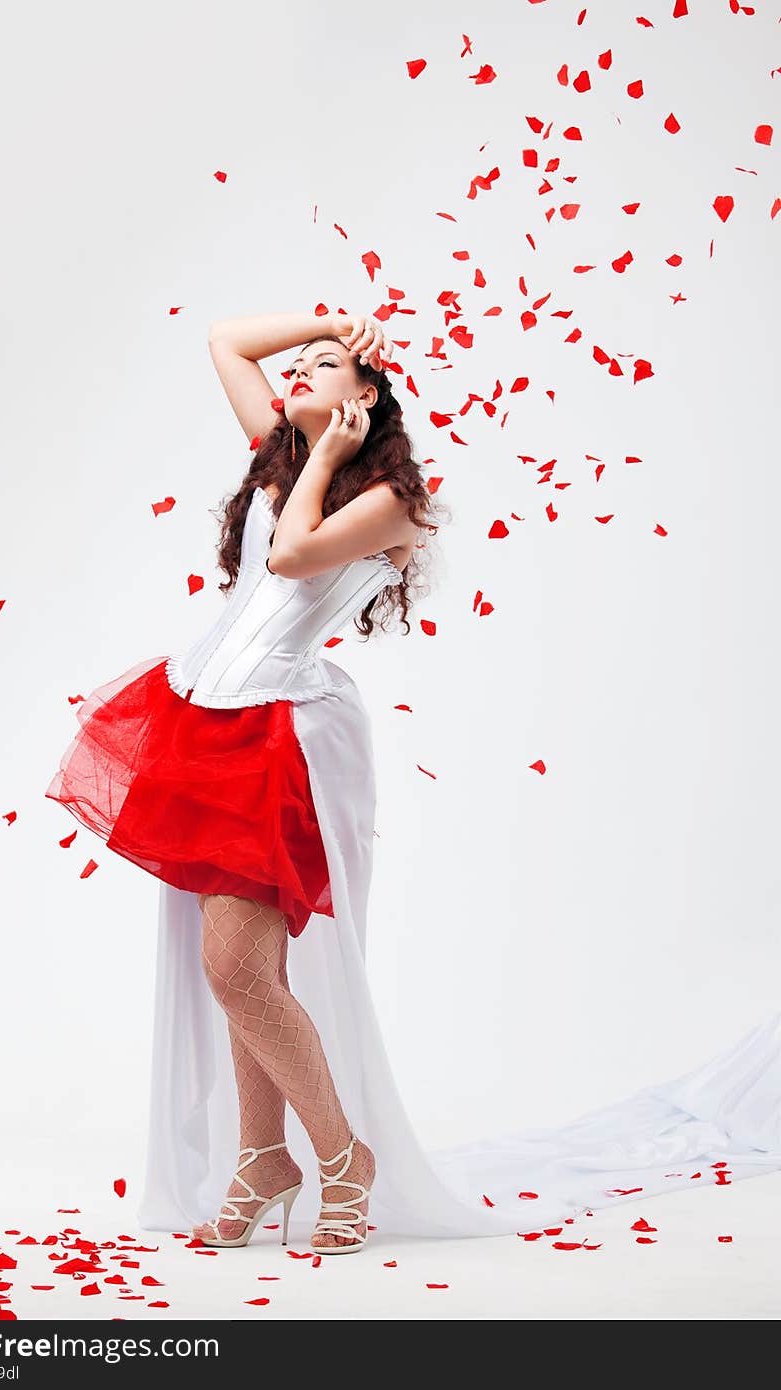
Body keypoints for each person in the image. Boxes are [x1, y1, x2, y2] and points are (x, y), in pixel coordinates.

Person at [46, 310, 781, 1256]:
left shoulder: (387, 497)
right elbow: (228, 343)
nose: (297, 370)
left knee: (236, 970)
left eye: (322, 366)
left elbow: (288, 557)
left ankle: (343, 1154)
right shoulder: (282, 453)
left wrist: (319, 447)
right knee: (241, 970)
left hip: (286, 736)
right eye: (298, 365)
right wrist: (335, 324)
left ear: (366, 398)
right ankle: (262, 1156)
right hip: (205, 715)